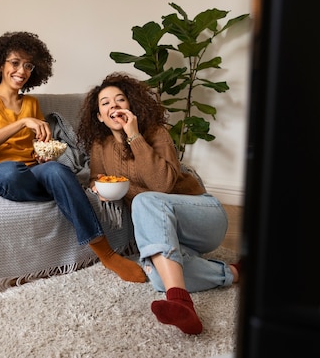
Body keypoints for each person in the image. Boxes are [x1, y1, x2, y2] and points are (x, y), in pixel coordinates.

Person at [0, 32, 145, 283]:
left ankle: (107, 254)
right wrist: (22, 123)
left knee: (58, 171)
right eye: (15, 63)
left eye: (28, 65)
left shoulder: (31, 103)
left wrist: (44, 153)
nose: (22, 70)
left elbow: (36, 149)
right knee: (10, 171)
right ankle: (65, 192)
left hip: (31, 173)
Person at [77, 72, 239, 335]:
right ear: (99, 116)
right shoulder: (101, 145)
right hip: (167, 230)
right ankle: (231, 272)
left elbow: (162, 184)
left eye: (120, 99)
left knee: (144, 199)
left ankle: (179, 300)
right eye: (105, 103)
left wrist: (134, 136)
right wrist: (99, 188)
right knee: (157, 275)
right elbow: (97, 178)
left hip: (201, 215)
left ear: (131, 107)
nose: (113, 106)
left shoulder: (155, 133)